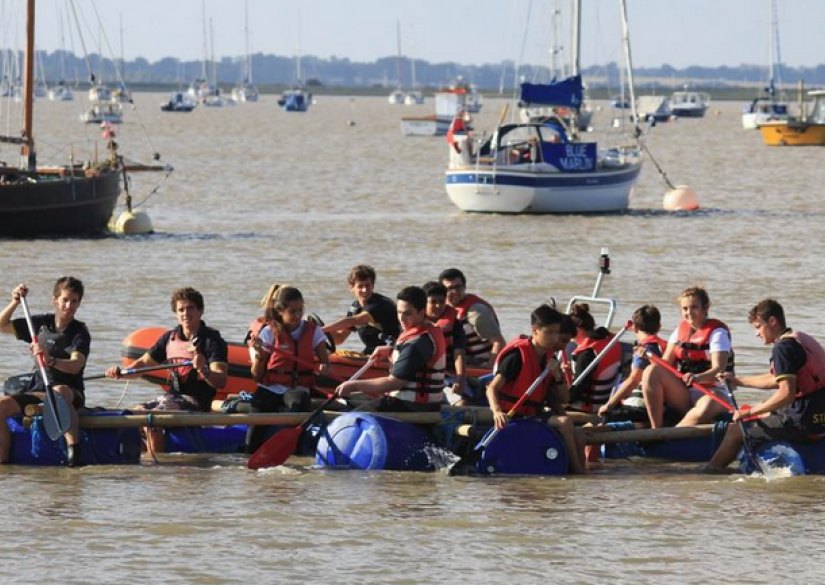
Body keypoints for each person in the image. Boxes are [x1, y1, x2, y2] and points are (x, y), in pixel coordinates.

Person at [704, 299, 825, 472]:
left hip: (803, 423)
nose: (757, 334)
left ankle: (709, 472)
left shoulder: (782, 348)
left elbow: (786, 394)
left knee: (735, 430)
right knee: (765, 410)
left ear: (773, 321)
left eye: (758, 327)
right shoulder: (798, 339)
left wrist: (750, 412)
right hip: (818, 418)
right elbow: (776, 379)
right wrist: (738, 380)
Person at [106, 287, 228, 453]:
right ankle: (143, 455)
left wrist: (204, 369)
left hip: (197, 402)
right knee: (135, 413)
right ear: (176, 314)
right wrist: (122, 372)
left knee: (152, 418)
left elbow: (220, 381)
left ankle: (157, 466)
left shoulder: (212, 341)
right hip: (171, 398)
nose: (185, 313)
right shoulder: (169, 338)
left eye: (190, 308)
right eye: (181, 310)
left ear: (200, 311)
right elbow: (144, 363)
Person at [485, 304, 585, 474]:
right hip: (512, 413)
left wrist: (558, 375)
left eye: (556, 332)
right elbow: (492, 388)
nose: (554, 338)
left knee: (579, 433)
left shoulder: (550, 358)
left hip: (533, 413)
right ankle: (577, 472)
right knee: (565, 422)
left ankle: (576, 467)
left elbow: (564, 398)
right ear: (535, 330)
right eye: (549, 332)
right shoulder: (516, 356)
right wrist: (496, 412)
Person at [0, 279, 90, 466]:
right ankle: (4, 459)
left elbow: (76, 365)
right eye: (65, 300)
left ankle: (74, 450)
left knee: (59, 392)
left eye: (74, 301)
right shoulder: (39, 325)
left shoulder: (79, 333)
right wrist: (15, 301)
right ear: (54, 300)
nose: (69, 306)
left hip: (70, 393)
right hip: (39, 390)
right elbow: (1, 325)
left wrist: (51, 360)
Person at [246, 286, 330, 452]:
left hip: (296, 388)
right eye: (293, 311)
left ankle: (294, 449)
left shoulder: (314, 332)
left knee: (298, 404)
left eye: (300, 310)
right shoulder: (269, 333)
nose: (298, 316)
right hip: (269, 388)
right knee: (252, 441)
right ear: (280, 311)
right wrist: (260, 357)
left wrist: (323, 367)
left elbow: (325, 363)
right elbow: (256, 376)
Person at [336, 286, 446, 413]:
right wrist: (391, 350)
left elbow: (394, 383)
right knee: (351, 400)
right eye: (399, 312)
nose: (401, 318)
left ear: (421, 313)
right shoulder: (425, 332)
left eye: (407, 313)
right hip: (415, 404)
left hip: (412, 407)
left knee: (347, 406)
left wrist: (353, 385)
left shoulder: (417, 343)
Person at [640, 286, 734, 428]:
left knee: (706, 406)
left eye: (694, 307)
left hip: (713, 393)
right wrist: (649, 356)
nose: (689, 313)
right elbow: (665, 364)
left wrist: (698, 377)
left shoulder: (718, 333)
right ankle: (656, 430)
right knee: (650, 371)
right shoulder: (679, 331)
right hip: (684, 393)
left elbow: (719, 369)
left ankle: (671, 436)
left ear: (705, 308)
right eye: (685, 309)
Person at [598, 305, 667, 423]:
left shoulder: (645, 350)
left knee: (600, 421)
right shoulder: (664, 347)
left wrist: (609, 405)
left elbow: (633, 380)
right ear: (659, 327)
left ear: (635, 329)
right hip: (661, 407)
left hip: (640, 408)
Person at [323, 264, 400, 354]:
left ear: (373, 285)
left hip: (393, 352)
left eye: (367, 285)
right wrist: (320, 331)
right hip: (371, 351)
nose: (364, 290)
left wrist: (321, 329)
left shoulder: (379, 304)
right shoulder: (355, 308)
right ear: (351, 288)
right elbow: (339, 338)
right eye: (360, 286)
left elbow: (354, 321)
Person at [439, 268, 505, 367]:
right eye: (449, 288)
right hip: (462, 360)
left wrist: (489, 366)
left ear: (465, 287)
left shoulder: (476, 312)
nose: (455, 292)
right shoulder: (444, 310)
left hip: (480, 363)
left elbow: (499, 342)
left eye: (458, 287)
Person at [566, 303, 623, 414]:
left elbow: (574, 395)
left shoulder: (586, 354)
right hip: (603, 401)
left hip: (586, 407)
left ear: (577, 330)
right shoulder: (609, 341)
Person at [422, 281, 469, 405]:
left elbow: (459, 354)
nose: (438, 306)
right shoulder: (415, 321)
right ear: (424, 303)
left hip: (447, 375)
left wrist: (460, 380)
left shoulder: (455, 324)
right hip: (422, 376)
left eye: (441, 302)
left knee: (461, 403)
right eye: (433, 302)